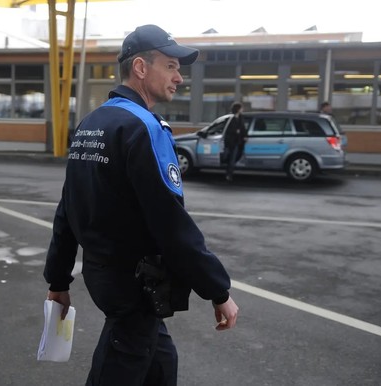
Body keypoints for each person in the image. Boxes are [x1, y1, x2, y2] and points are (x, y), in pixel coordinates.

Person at [43, 24, 239, 386]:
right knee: (124, 358)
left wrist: (58, 278)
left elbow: (67, 207)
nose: (179, 77)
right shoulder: (145, 128)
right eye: (171, 66)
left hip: (104, 274)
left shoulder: (91, 122)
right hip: (134, 283)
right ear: (140, 67)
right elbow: (170, 223)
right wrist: (218, 291)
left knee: (161, 363)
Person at [221, 101, 247, 182]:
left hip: (237, 142)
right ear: (238, 109)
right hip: (230, 142)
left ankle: (229, 174)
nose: (243, 109)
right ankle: (228, 174)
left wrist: (244, 136)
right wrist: (236, 131)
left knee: (232, 159)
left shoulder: (241, 117)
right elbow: (227, 130)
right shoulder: (230, 117)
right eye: (241, 108)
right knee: (228, 158)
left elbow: (243, 128)